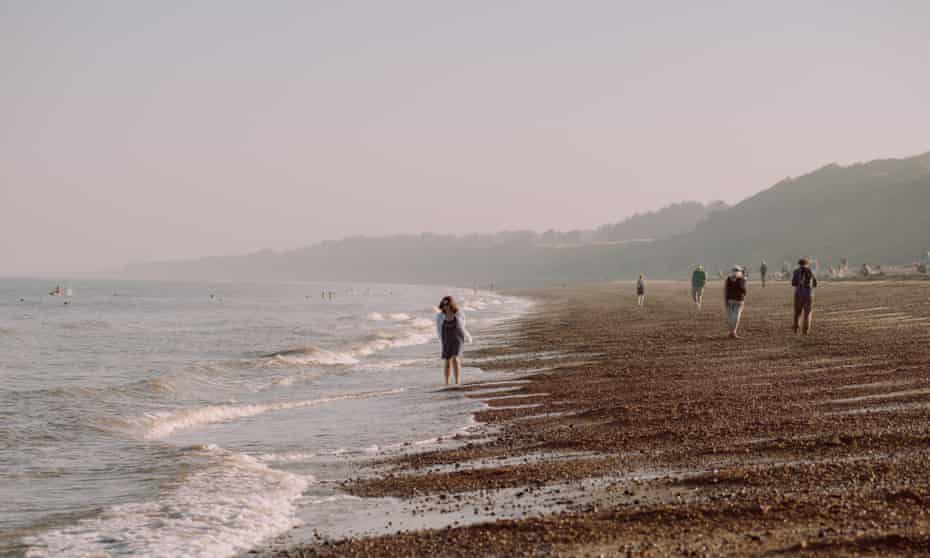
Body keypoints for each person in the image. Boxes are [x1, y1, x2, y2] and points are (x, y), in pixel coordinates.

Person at [436, 296, 472, 385]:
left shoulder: (459, 313)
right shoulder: (440, 316)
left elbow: (463, 325)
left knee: (455, 358)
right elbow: (438, 329)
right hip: (446, 338)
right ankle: (447, 382)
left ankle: (457, 381)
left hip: (457, 338)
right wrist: (441, 339)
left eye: (447, 304)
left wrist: (467, 336)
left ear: (451, 304)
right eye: (444, 305)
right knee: (447, 360)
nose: (446, 306)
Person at [791, 258, 818, 335]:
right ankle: (805, 331)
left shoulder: (796, 271)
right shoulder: (811, 271)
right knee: (808, 313)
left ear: (799, 264)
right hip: (809, 294)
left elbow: (793, 283)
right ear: (807, 264)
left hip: (798, 294)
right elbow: (815, 283)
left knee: (797, 312)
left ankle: (796, 327)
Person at [724, 266, 747, 338]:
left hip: (730, 300)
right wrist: (744, 281)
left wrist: (726, 300)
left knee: (730, 316)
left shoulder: (728, 279)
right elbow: (743, 290)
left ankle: (732, 332)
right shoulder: (741, 279)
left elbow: (726, 290)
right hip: (739, 300)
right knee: (736, 315)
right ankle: (733, 332)